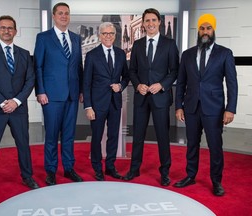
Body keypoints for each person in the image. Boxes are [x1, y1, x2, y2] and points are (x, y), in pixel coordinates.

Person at [173, 14, 238, 196]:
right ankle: (190, 175)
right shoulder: (187, 55)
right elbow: (181, 83)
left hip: (214, 109)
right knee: (192, 144)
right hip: (191, 107)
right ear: (198, 31)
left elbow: (232, 83)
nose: (205, 32)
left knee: (215, 146)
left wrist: (230, 109)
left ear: (213, 30)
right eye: (202, 28)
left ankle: (216, 181)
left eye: (208, 28)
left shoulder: (225, 53)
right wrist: (179, 106)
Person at [0, 15, 39, 200]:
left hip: (18, 108)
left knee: (23, 145)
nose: (6, 31)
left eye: (10, 28)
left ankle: (27, 177)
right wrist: (3, 102)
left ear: (15, 31)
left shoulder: (24, 53)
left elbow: (30, 80)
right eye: (3, 28)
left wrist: (16, 101)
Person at [123, 8, 179, 186]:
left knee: (163, 135)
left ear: (159, 22)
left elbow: (174, 71)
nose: (150, 24)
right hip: (141, 96)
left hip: (160, 97)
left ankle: (165, 171)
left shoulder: (169, 44)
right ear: (143, 23)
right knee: (137, 135)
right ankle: (134, 169)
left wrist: (161, 85)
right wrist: (138, 84)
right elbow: (132, 70)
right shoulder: (138, 44)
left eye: (153, 20)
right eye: (147, 21)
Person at [34, 2, 83, 185]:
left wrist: (81, 91)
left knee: (69, 135)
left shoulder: (76, 38)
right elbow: (37, 66)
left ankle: (69, 168)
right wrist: (40, 91)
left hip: (72, 94)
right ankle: (51, 170)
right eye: (60, 13)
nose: (64, 16)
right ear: (54, 16)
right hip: (51, 96)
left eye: (67, 13)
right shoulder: (43, 38)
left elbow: (79, 66)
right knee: (52, 135)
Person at [83, 22, 130, 181]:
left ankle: (110, 167)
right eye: (105, 33)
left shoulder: (121, 53)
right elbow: (86, 83)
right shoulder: (91, 55)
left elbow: (127, 76)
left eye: (111, 33)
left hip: (115, 103)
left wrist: (121, 85)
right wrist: (88, 106)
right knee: (96, 136)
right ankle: (97, 168)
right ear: (100, 35)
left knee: (113, 136)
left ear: (115, 36)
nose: (108, 36)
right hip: (97, 104)